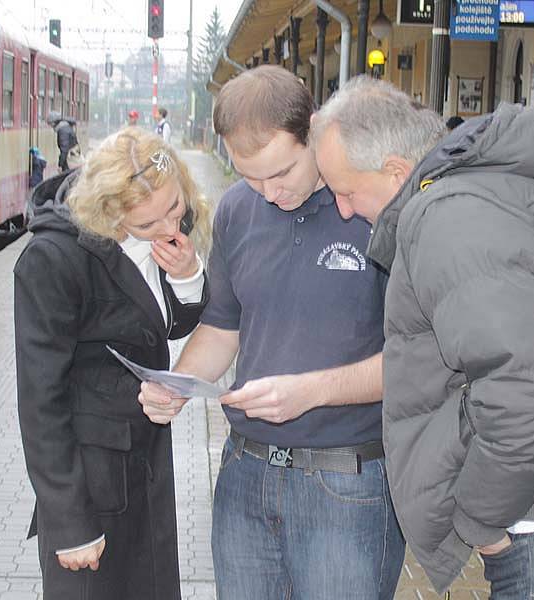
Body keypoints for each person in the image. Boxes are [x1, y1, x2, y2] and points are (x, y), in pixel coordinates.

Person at [310, 76, 534, 599]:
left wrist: (479, 522)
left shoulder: (451, 214)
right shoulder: (513, 188)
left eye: (345, 191)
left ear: (395, 170)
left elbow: (529, 390)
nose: (344, 210)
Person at [139, 65, 405, 599]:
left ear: (315, 132)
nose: (270, 191)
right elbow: (223, 326)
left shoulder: (372, 208)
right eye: (250, 175)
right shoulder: (239, 210)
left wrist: (311, 392)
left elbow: (419, 359)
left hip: (347, 483)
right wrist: (178, 384)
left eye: (281, 171)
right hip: (245, 476)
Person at [14, 127, 211, 599]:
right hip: (91, 487)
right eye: (147, 225)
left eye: (174, 207)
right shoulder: (52, 260)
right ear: (109, 214)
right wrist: (69, 522)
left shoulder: (159, 230)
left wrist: (187, 277)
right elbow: (41, 401)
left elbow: (162, 325)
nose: (168, 228)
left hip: (144, 467)